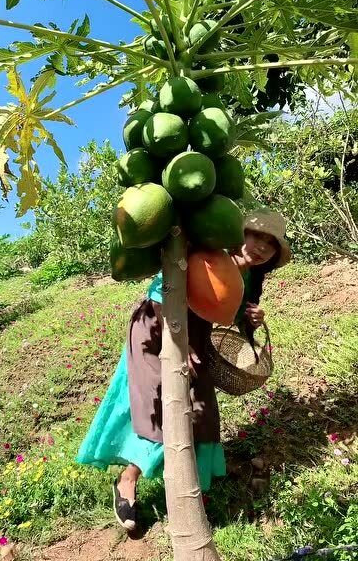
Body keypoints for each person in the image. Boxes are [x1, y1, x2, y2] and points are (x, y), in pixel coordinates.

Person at [77, 209, 291, 531]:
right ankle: (127, 479)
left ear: (274, 255)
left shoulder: (250, 278)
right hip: (158, 327)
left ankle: (196, 477)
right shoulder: (208, 256)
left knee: (202, 407)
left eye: (270, 244)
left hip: (198, 337)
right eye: (255, 235)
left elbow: (225, 315)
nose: (260, 246)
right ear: (237, 233)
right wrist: (177, 341)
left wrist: (250, 320)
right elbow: (160, 291)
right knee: (160, 403)